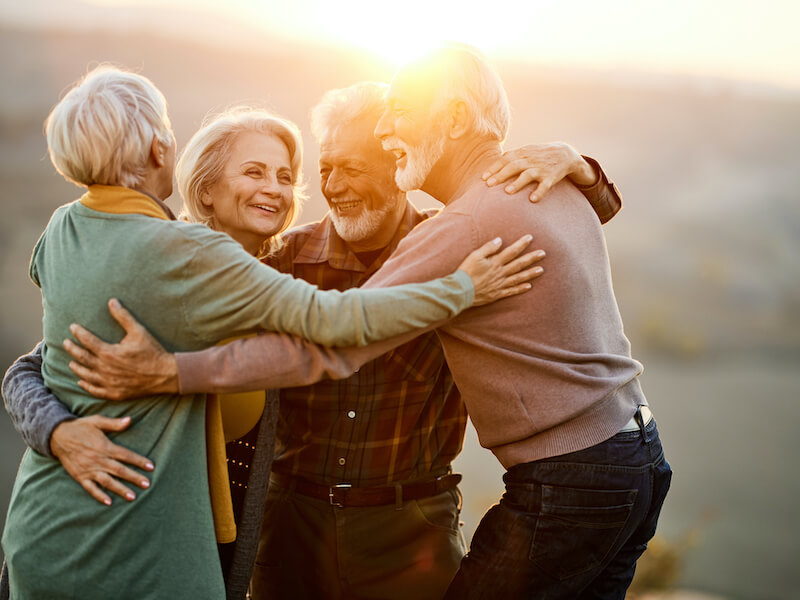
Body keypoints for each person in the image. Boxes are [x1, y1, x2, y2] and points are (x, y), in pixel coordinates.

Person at [3, 78, 622, 599]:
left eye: (355, 167)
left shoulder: (459, 247)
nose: (334, 184)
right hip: (282, 526)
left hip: (411, 527)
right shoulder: (273, 264)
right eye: (324, 168)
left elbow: (564, 223)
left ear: (401, 165)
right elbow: (42, 363)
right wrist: (57, 429)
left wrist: (579, 166)